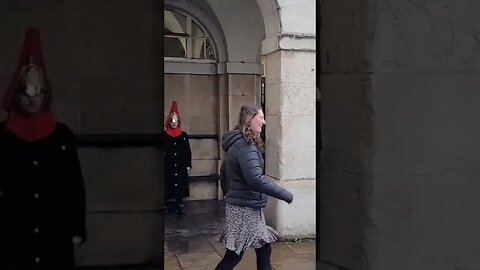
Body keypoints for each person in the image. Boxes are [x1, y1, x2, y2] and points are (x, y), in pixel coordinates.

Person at [0, 28, 87, 269]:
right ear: (16, 94)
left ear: (44, 95)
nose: (31, 98)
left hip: (54, 233)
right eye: (26, 91)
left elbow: (74, 185)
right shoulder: (2, 136)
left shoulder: (62, 136)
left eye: (37, 91)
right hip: (13, 236)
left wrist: (76, 228)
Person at [216, 104, 293, 270]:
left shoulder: (239, 144)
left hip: (246, 206)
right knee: (233, 256)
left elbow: (224, 175)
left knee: (264, 248)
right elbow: (256, 180)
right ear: (250, 120)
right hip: (244, 209)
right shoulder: (245, 147)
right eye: (261, 117)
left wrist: (231, 196)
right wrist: (286, 195)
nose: (264, 122)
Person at [163, 101, 192, 215]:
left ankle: (179, 202)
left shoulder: (183, 135)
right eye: (172, 121)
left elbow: (187, 151)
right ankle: (169, 203)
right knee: (169, 183)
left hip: (180, 165)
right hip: (168, 164)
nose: (174, 123)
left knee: (180, 183)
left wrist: (188, 163)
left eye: (176, 121)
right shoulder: (165, 135)